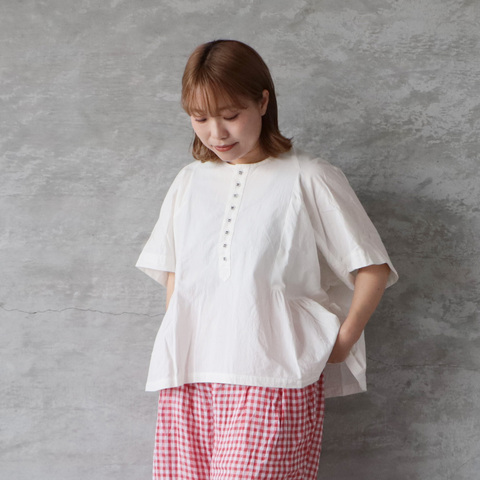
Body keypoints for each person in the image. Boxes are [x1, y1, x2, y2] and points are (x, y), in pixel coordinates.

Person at [136, 39, 398, 480]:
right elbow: (177, 279)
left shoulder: (309, 176)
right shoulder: (189, 182)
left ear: (262, 102)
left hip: (273, 374)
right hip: (189, 378)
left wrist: (345, 340)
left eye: (229, 115)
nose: (216, 134)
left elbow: (371, 267)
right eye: (200, 118)